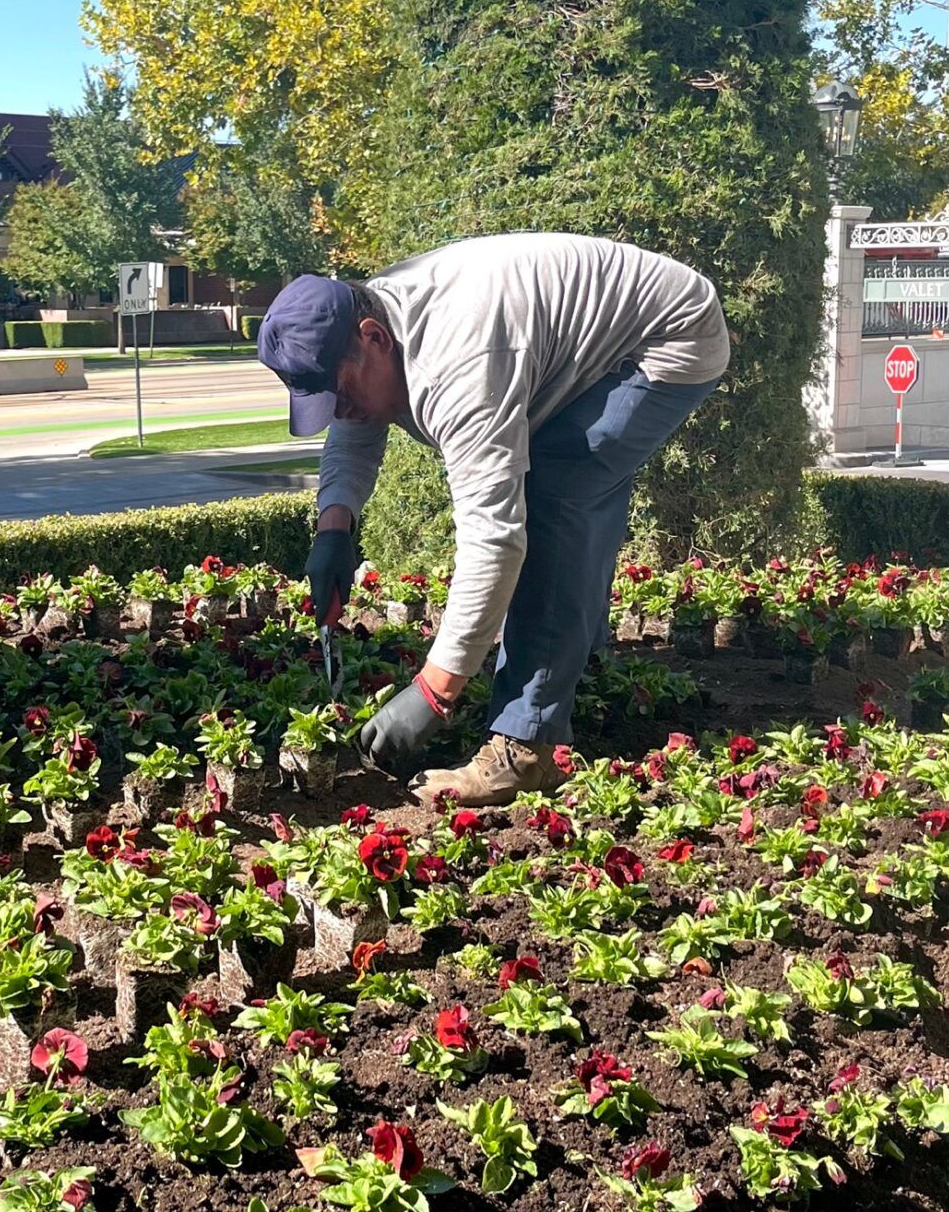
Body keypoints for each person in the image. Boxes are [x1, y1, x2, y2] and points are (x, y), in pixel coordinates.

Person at [255, 231, 729, 806]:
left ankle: (525, 748)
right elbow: (355, 431)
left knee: (558, 492)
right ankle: (572, 660)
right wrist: (334, 528)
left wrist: (433, 691)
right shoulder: (367, 317)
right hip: (595, 337)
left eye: (339, 393)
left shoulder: (460, 362)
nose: (340, 412)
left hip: (665, 339)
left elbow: (496, 542)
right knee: (560, 488)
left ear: (373, 338)